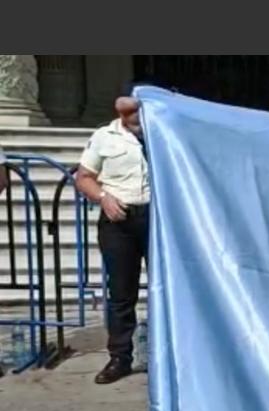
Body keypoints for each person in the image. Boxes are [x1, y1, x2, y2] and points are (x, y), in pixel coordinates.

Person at [75, 90, 151, 384]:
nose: (135, 117)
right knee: (121, 293)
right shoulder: (104, 136)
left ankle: (167, 354)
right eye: (130, 112)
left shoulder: (162, 134)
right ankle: (120, 357)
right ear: (121, 114)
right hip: (119, 220)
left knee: (164, 289)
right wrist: (104, 198)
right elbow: (84, 177)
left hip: (157, 218)